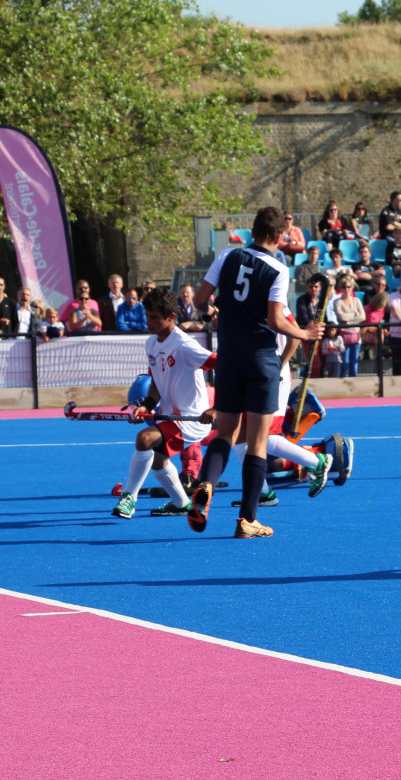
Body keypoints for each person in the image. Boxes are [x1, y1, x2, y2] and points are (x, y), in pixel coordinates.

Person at [187, 206, 325, 539]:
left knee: (225, 434)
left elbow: (200, 301)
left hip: (229, 357)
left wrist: (216, 313)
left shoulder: (226, 256)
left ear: (252, 230)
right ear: (279, 236)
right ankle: (247, 519)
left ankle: (205, 484)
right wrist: (306, 334)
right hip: (261, 359)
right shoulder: (278, 268)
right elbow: (277, 321)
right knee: (258, 442)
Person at [113, 290, 216, 521]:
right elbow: (156, 383)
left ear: (171, 316)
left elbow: (225, 368)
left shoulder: (184, 345)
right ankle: (181, 504)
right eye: (147, 316)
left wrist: (217, 407)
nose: (148, 322)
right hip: (169, 415)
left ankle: (129, 497)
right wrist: (147, 405)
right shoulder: (151, 343)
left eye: (154, 317)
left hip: (192, 418)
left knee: (144, 439)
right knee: (159, 462)